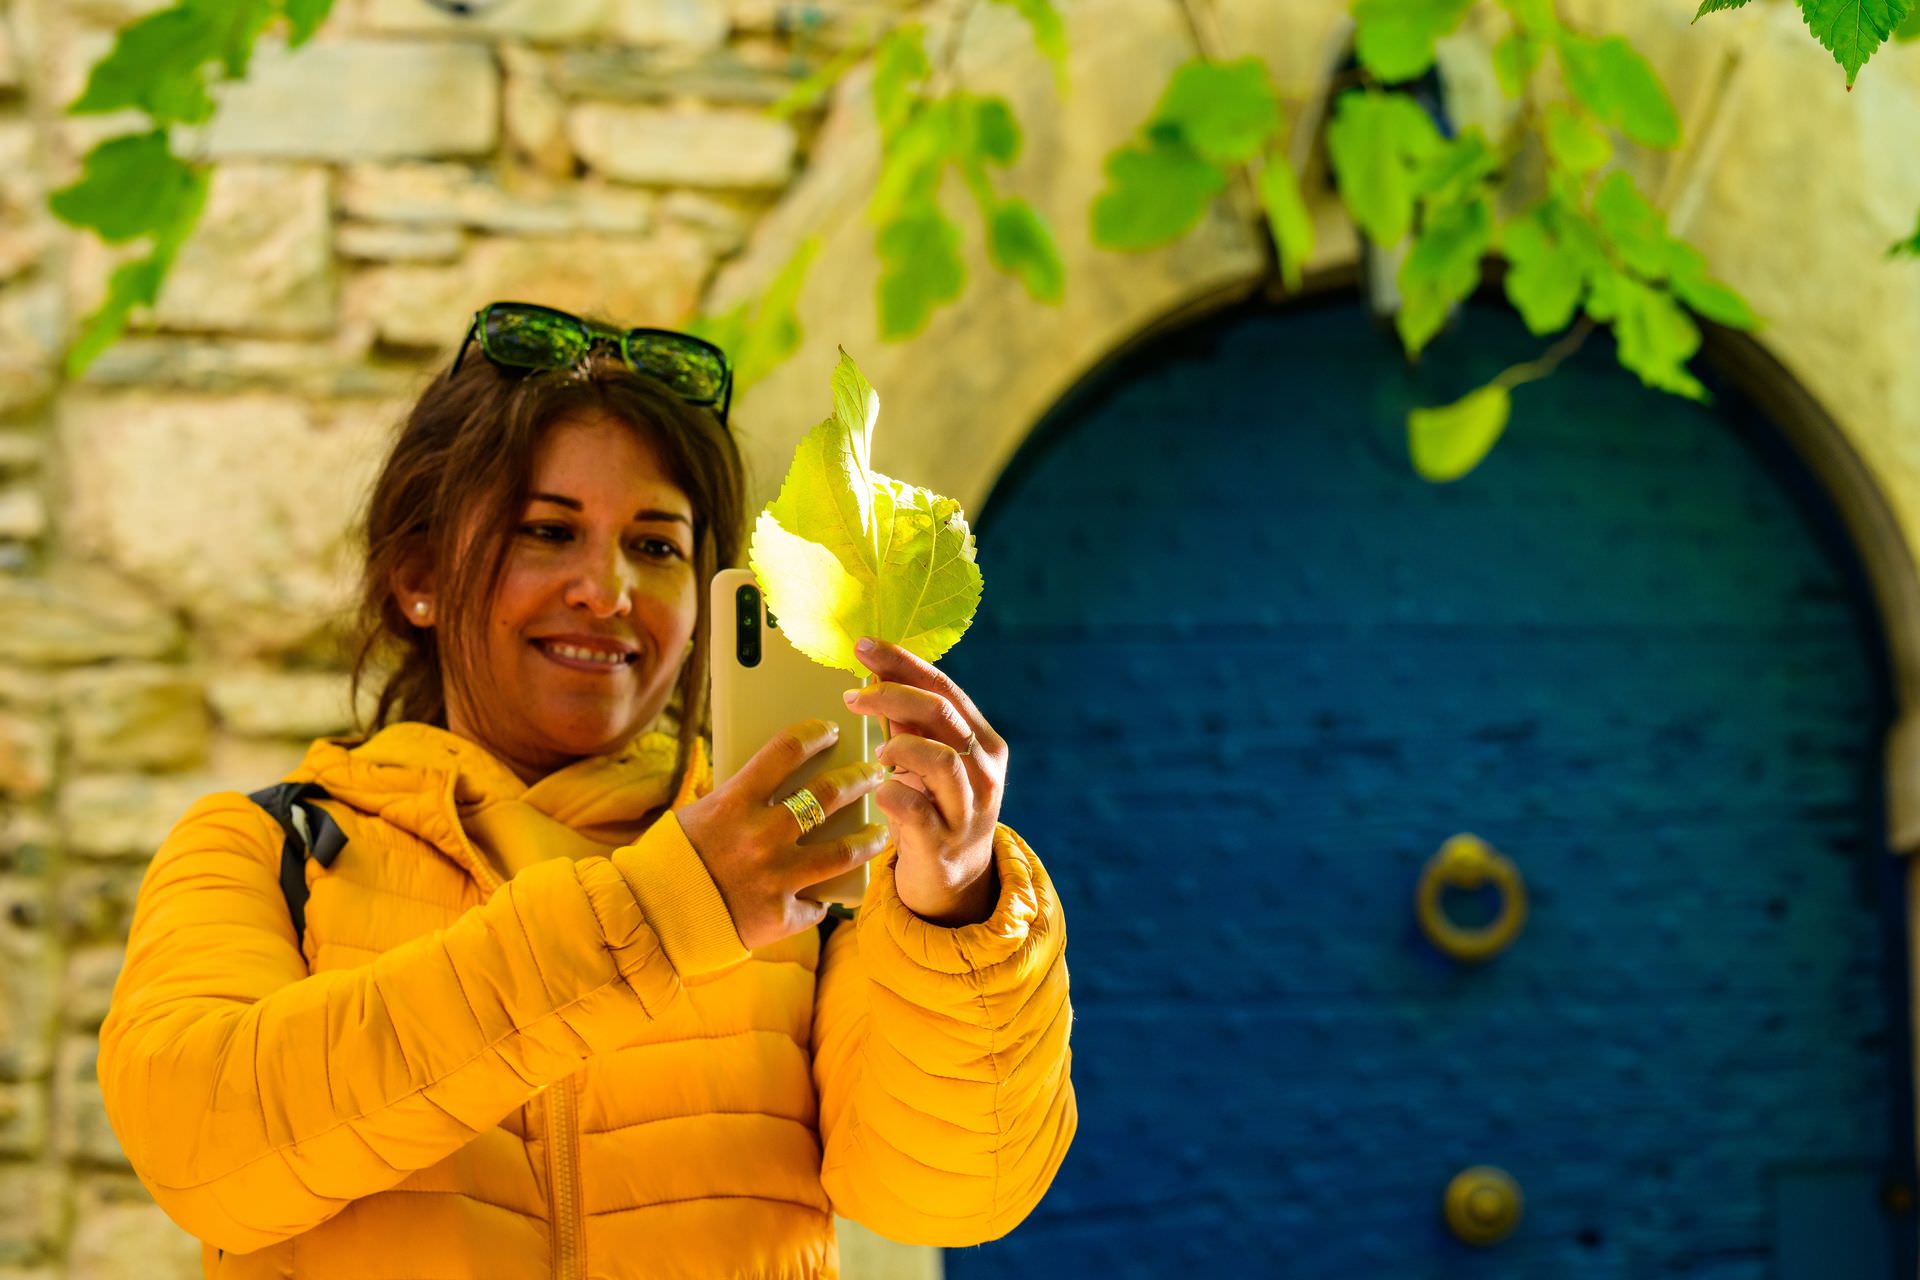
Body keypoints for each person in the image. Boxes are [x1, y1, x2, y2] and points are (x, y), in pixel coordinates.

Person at [96, 303, 1077, 1278]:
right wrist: (667, 906)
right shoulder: (267, 849)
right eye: (547, 531)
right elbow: (205, 1150)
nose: (607, 590)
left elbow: (952, 1194)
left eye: (656, 545)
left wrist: (960, 909)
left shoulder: (814, 870)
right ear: (418, 575)